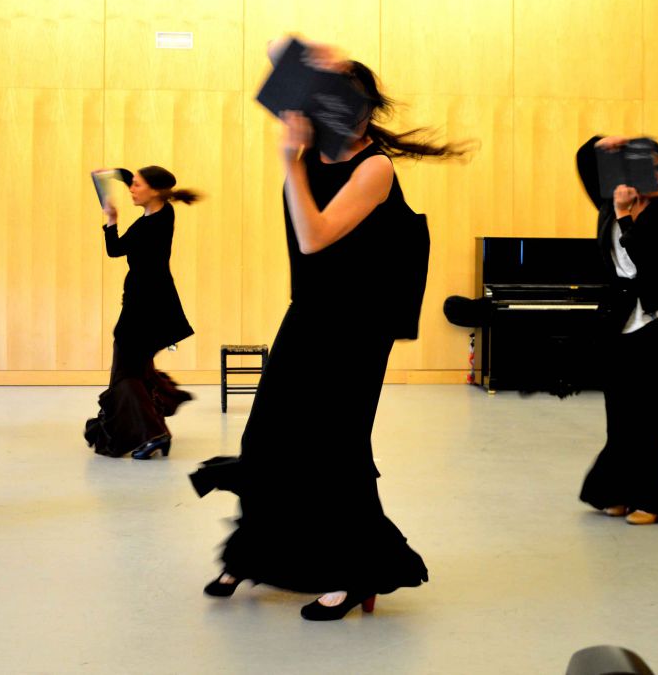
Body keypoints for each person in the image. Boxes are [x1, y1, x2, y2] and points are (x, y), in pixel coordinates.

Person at [191, 39, 466, 620]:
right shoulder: (317, 150)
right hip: (310, 314)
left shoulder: (375, 167)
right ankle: (255, 554)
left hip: (357, 327)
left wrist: (290, 160)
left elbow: (314, 237)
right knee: (266, 440)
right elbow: (276, 47)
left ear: (362, 109)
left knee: (334, 450)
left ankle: (353, 573)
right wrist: (320, 56)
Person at [575, 135, 658, 525]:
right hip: (623, 323)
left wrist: (624, 215)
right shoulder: (613, 202)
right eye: (644, 166)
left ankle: (652, 501)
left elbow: (648, 256)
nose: (653, 173)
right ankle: (616, 492)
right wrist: (603, 142)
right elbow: (586, 160)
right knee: (619, 417)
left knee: (648, 421)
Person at [84, 167, 198, 459]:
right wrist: (113, 215)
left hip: (145, 306)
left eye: (137, 185)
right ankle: (152, 427)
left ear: (155, 191)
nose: (131, 189)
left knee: (126, 372)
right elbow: (116, 250)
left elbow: (117, 250)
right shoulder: (158, 215)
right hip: (148, 303)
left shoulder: (153, 224)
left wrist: (112, 217)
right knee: (135, 367)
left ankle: (154, 433)